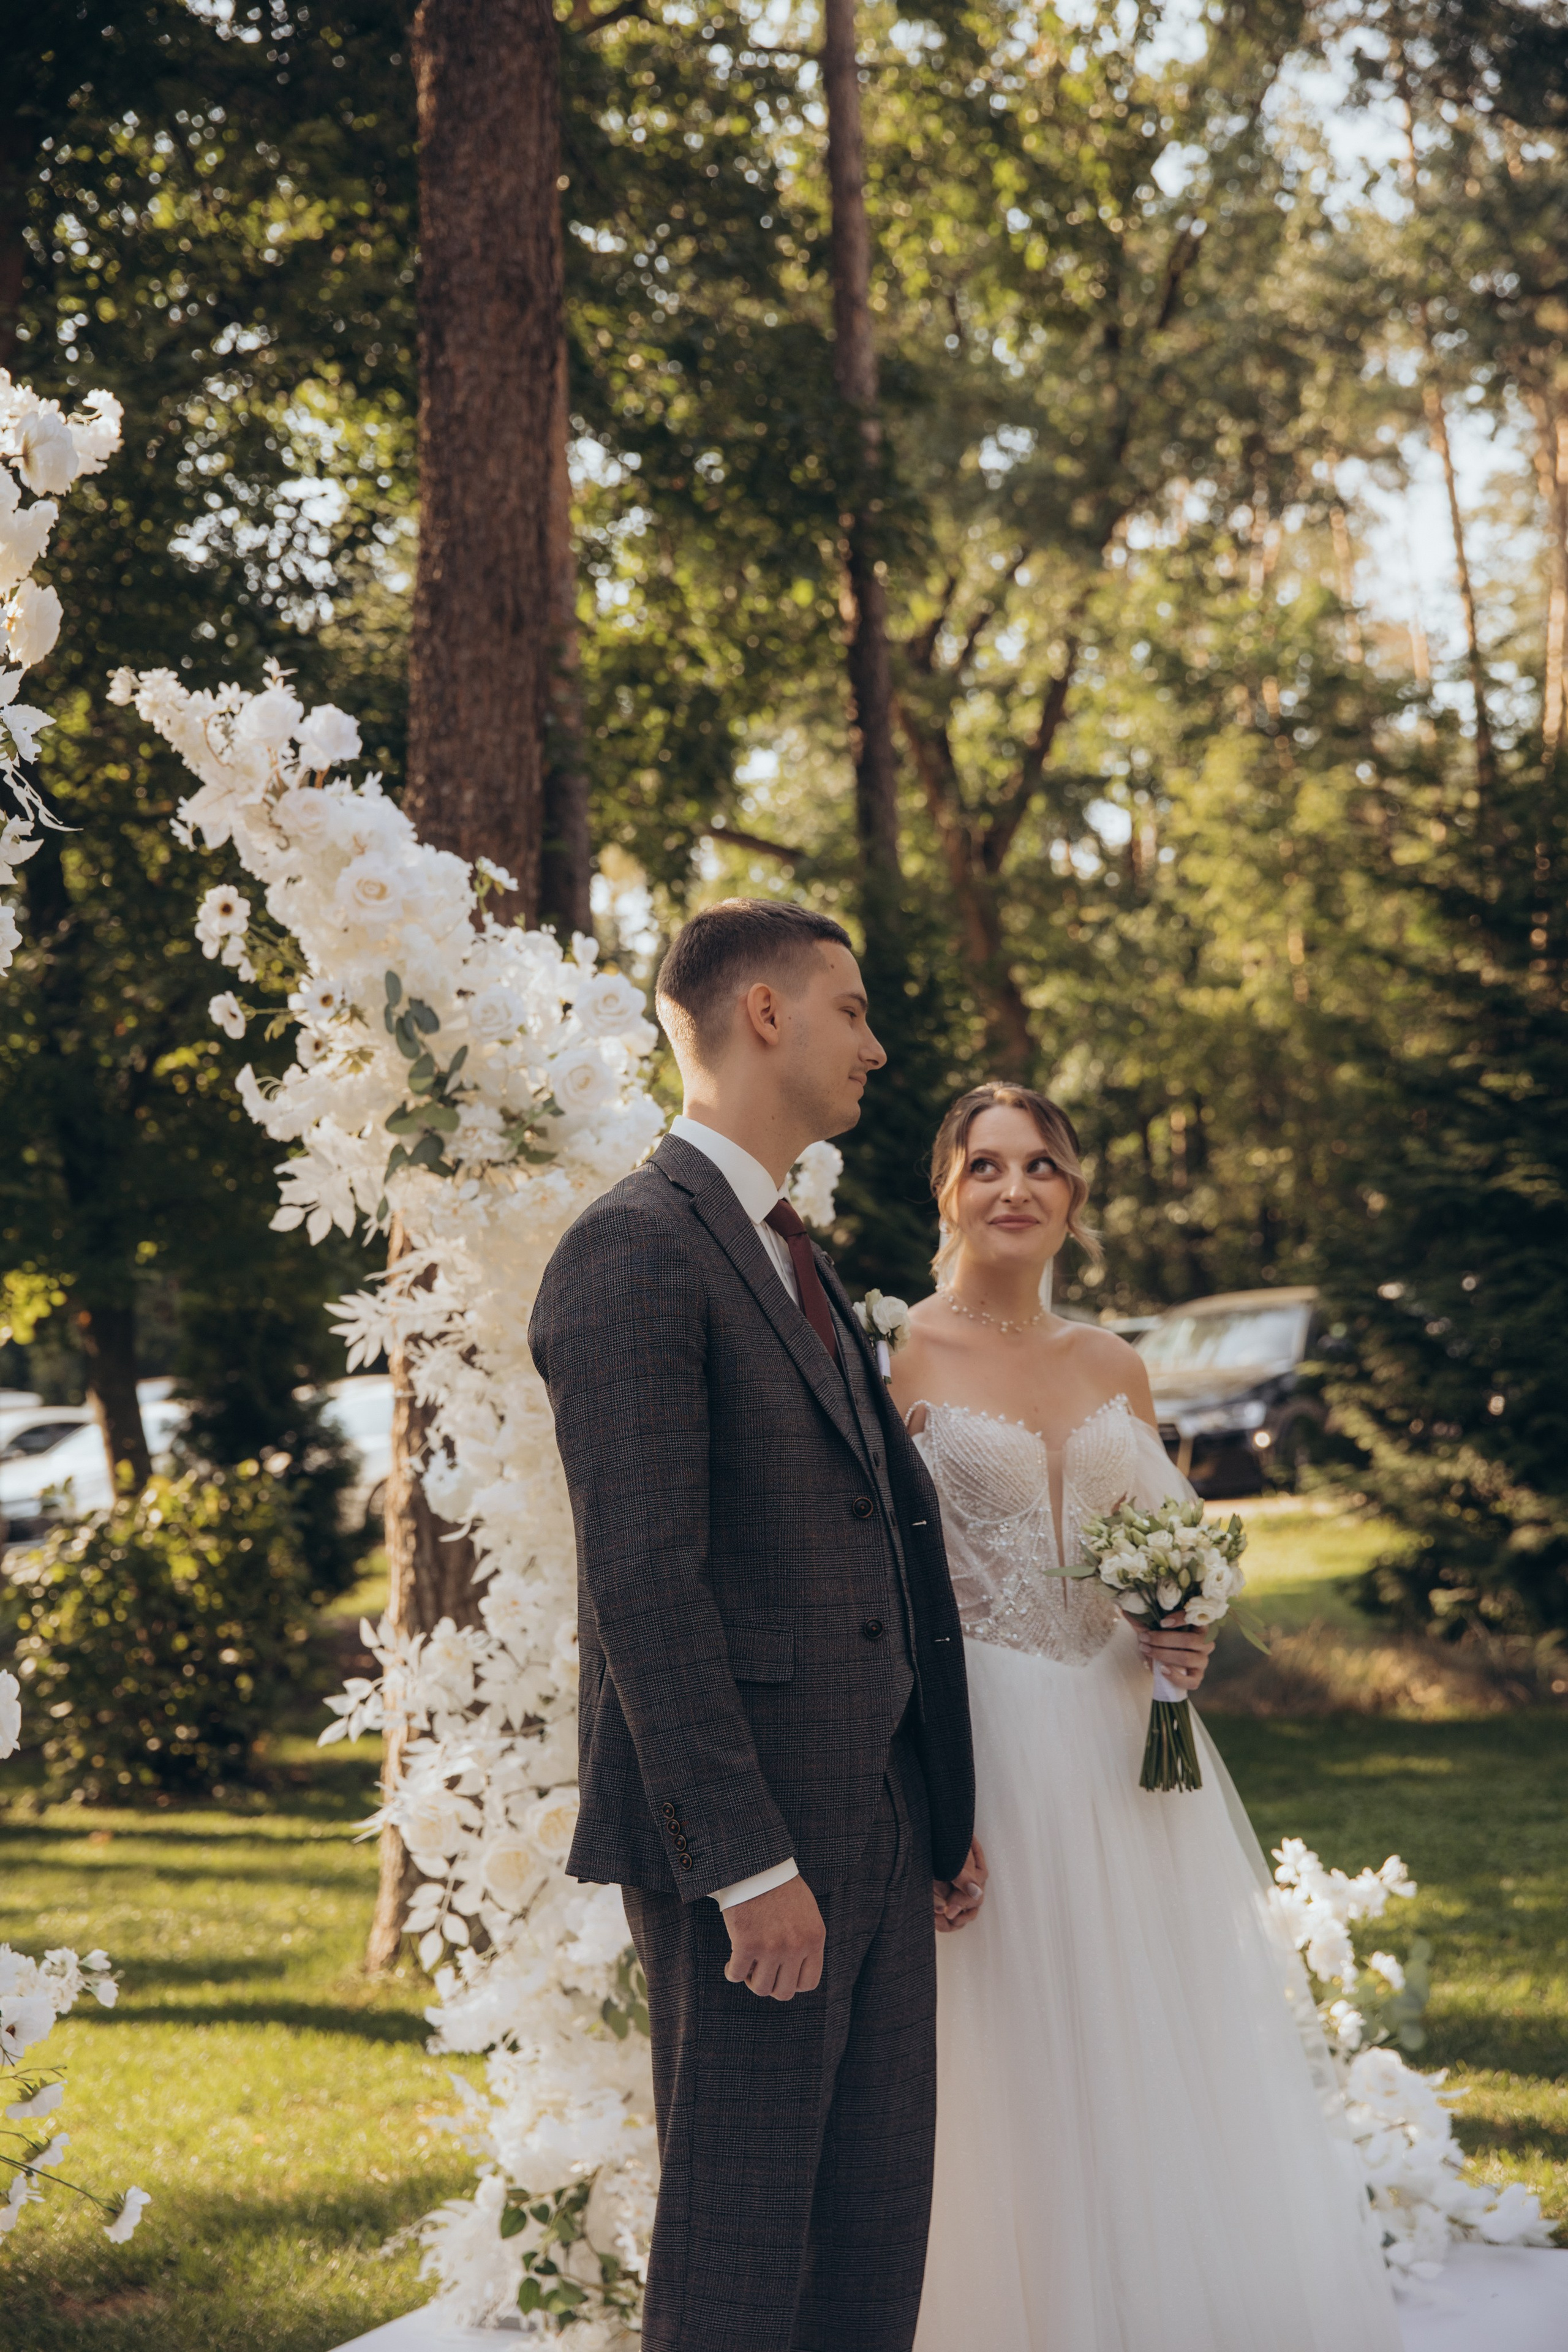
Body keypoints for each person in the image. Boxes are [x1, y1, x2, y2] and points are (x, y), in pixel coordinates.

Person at [529, 900, 982, 2352]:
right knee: (739, 2247)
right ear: (766, 1015)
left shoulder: (790, 1248)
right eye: (851, 1008)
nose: (877, 1041)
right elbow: (645, 1587)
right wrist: (747, 1865)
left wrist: (934, 1794)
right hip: (757, 1855)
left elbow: (868, 1537)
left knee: (865, 2237)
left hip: (873, 1817)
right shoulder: (633, 1251)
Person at [894, 1082, 1404, 2352]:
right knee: (1008, 2043)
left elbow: (1167, 1549)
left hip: (1132, 1742)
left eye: (1042, 1167)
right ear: (945, 1189)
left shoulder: (1114, 1361)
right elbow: (882, 1582)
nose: (1014, 1189)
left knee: (1151, 2032)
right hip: (991, 1738)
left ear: (1074, 1194)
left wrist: (1185, 1628)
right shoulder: (899, 1353)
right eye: (985, 1165)